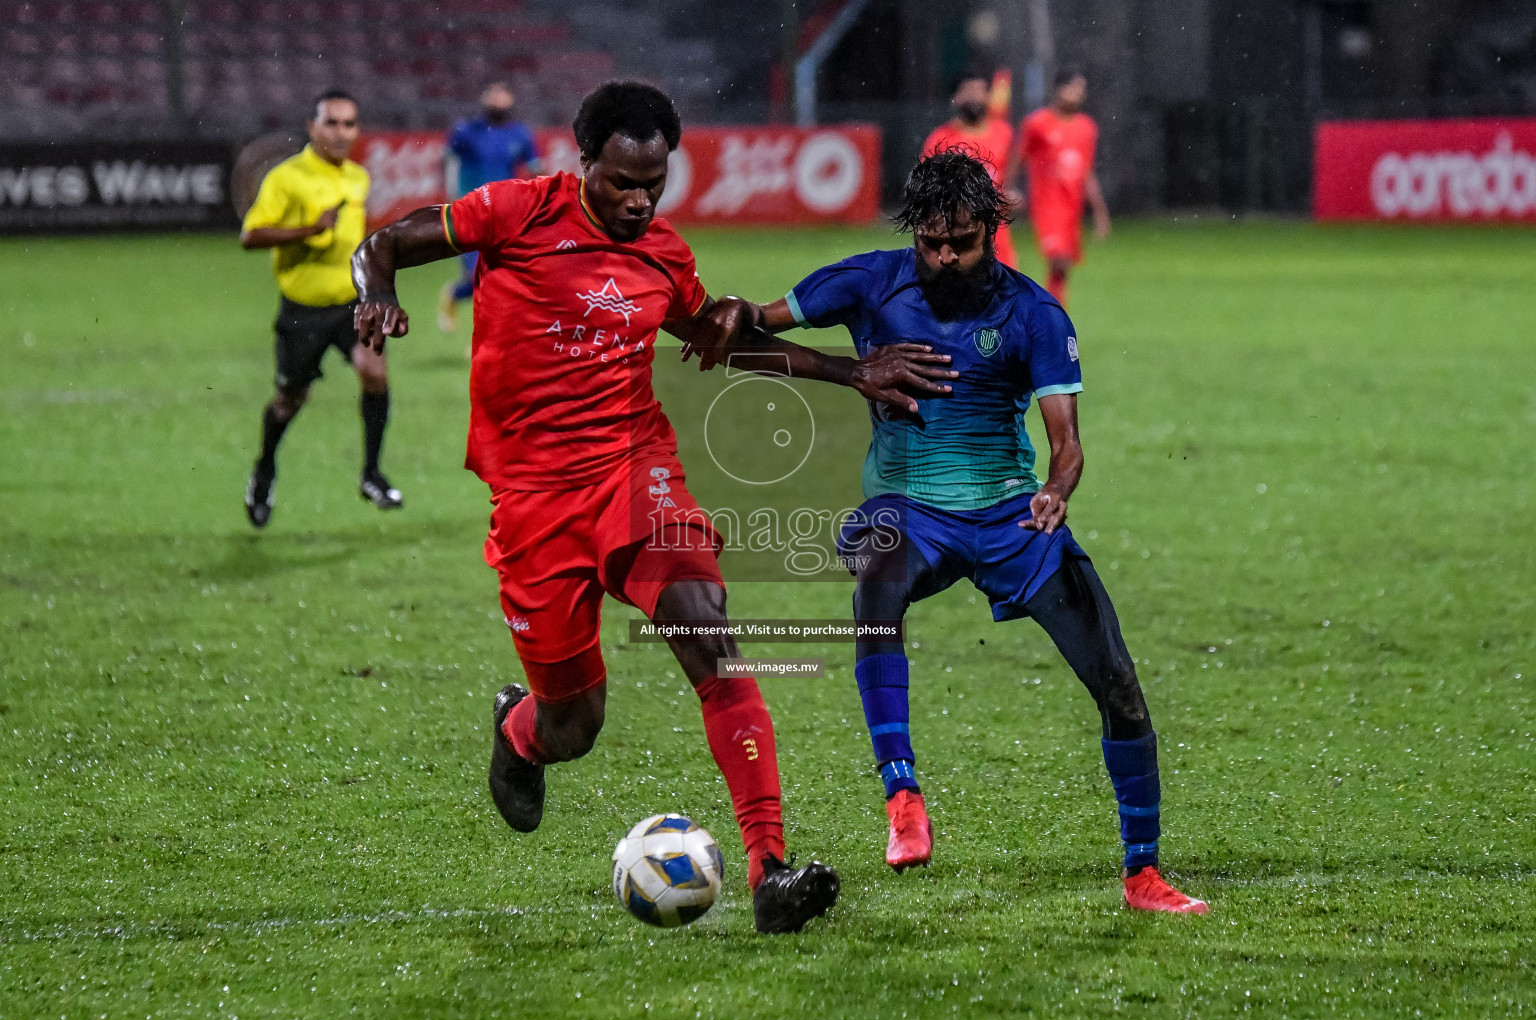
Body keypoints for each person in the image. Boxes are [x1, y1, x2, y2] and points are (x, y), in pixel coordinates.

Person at [351, 81, 951, 933]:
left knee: (710, 633)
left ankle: (769, 870)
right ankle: (521, 733)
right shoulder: (515, 211)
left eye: (653, 185)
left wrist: (854, 373)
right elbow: (385, 242)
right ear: (583, 161)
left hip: (636, 471)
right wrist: (376, 291)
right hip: (533, 501)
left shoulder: (663, 255)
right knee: (575, 723)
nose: (638, 201)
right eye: (621, 183)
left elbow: (724, 337)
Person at [696, 151, 1208, 915]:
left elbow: (1065, 442)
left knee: (1121, 687)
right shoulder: (871, 280)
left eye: (961, 243)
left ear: (993, 232)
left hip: (1011, 516)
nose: (943, 258)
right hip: (909, 509)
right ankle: (902, 795)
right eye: (931, 243)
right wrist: (756, 319)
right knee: (878, 570)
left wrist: (1056, 491)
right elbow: (746, 334)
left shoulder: (1036, 314)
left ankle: (1143, 874)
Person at [240, 89, 401, 529]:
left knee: (375, 371)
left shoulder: (358, 178)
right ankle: (264, 470)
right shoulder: (286, 178)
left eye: (349, 123)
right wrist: (309, 229)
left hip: (351, 305)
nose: (341, 131)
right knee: (290, 400)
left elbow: (356, 242)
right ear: (312, 128)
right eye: (331, 122)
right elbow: (250, 236)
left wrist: (379, 288)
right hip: (302, 311)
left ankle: (371, 473)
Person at [437, 82, 542, 332]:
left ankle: (456, 295)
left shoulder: (520, 134)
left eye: (503, 95)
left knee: (502, 276)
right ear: (484, 99)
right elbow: (448, 160)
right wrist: (451, 196)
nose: (498, 99)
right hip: (470, 211)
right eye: (493, 94)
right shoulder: (466, 130)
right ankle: (486, 334)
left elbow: (536, 170)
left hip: (505, 214)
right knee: (480, 275)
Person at [1006, 69, 1110, 307]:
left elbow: (1087, 172)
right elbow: (1017, 158)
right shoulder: (1037, 124)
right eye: (1071, 88)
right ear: (1058, 89)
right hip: (1048, 206)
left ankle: (1051, 313)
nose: (1076, 95)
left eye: (1080, 91)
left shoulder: (1086, 128)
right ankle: (1045, 313)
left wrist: (1100, 212)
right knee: (1059, 260)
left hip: (1072, 208)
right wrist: (1007, 191)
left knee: (1063, 270)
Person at [921, 69, 1019, 269]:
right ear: (956, 97)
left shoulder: (1004, 134)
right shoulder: (940, 139)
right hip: (957, 234)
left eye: (980, 90)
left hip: (996, 235)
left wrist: (1011, 196)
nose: (975, 96)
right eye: (969, 91)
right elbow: (925, 188)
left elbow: (1006, 179)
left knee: (1006, 293)